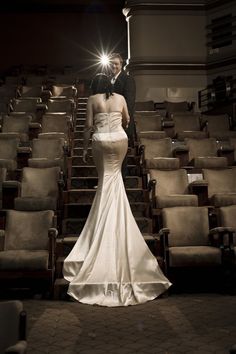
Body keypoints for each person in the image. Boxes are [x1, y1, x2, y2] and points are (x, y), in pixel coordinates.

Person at [63, 73, 171, 307]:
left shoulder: (92, 99)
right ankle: (116, 221)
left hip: (101, 140)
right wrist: (116, 123)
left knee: (105, 181)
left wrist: (82, 148)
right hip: (119, 140)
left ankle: (103, 223)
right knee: (115, 180)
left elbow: (88, 126)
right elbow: (127, 120)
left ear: (94, 86)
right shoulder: (121, 97)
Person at [109, 53, 136, 177]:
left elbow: (129, 103)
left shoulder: (128, 79)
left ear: (121, 64)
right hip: (109, 122)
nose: (114, 66)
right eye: (112, 64)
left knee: (121, 154)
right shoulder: (108, 79)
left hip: (122, 122)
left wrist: (123, 122)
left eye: (116, 64)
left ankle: (121, 181)